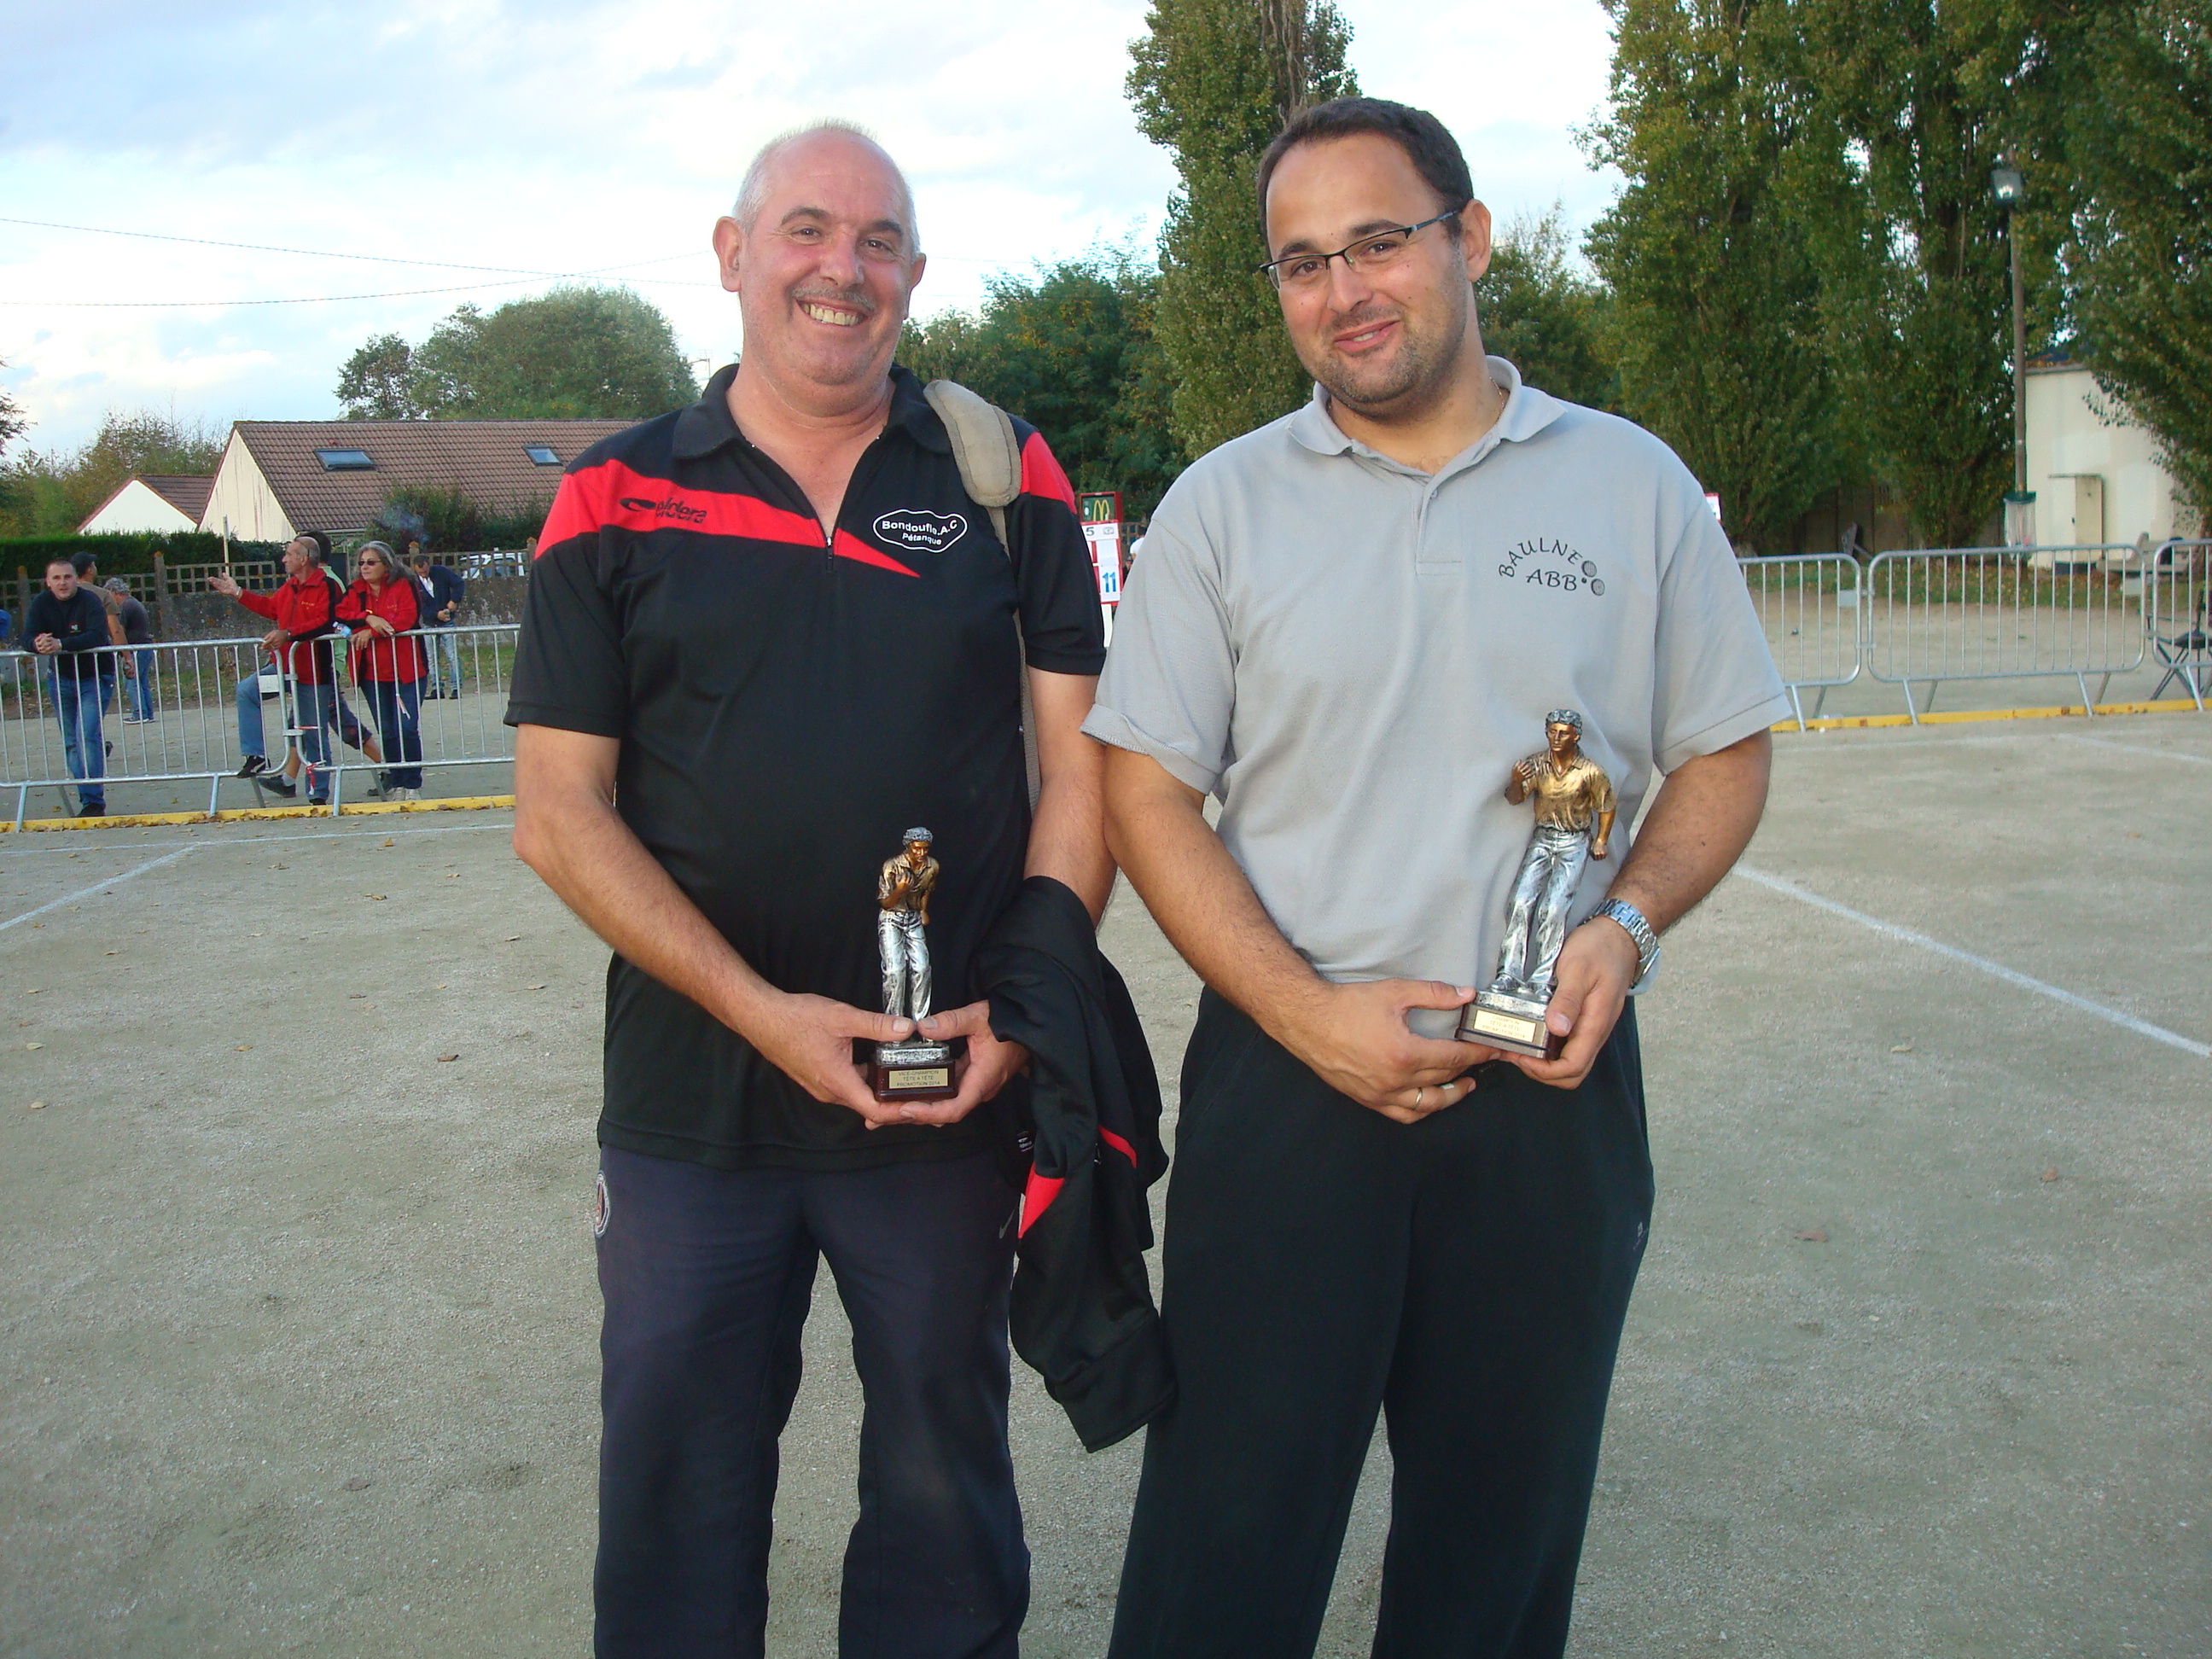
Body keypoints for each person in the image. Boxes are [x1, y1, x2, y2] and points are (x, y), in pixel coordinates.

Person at [1085, 97, 1791, 1659]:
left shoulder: (1630, 484)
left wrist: (1625, 923)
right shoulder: (1222, 506)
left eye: (1379, 241)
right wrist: (1301, 1012)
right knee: (1223, 1545)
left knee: (1498, 1549)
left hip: (1550, 1089)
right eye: (1300, 261)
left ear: (1469, 241)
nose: (1343, 290)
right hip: (1289, 1085)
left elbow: (1726, 748)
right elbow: (1142, 788)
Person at [505, 120, 1110, 1659]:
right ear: (732, 253)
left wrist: (1027, 1012)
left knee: (939, 1480)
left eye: (880, 241)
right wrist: (763, 1012)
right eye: (806, 230)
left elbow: (1084, 769)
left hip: (940, 1085)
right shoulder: (613, 494)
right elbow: (557, 814)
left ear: (915, 272)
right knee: (674, 1495)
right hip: (692, 1106)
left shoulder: (1002, 471)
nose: (843, 269)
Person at [212, 533, 353, 806]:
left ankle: (318, 792)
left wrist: (288, 634)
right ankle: (255, 755)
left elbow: (325, 622)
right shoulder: (289, 586)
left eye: (289, 554)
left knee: (313, 732)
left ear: (304, 559)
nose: (284, 558)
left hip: (314, 671)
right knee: (247, 691)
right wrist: (238, 593)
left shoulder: (326, 585)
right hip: (283, 667)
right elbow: (271, 607)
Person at [336, 540, 427, 800]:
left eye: (371, 562)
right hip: (372, 674)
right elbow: (341, 615)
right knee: (387, 730)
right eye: (361, 562)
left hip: (407, 670)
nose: (364, 567)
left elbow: (406, 619)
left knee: (406, 727)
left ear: (386, 564)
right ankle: (397, 779)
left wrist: (372, 631)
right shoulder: (355, 590)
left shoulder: (403, 585)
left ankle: (412, 782)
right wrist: (367, 617)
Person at [25, 556, 111, 817]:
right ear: (48, 582)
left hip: (94, 676)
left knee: (88, 735)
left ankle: (95, 801)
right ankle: (87, 798)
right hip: (61, 680)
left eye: (68, 577)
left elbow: (98, 635)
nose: (63, 583)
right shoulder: (41, 603)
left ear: (76, 578)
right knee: (71, 741)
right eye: (57, 578)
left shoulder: (90, 601)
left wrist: (61, 645)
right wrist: (37, 644)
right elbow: (26, 636)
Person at [408, 548, 467, 697]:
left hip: (447, 622)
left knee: (452, 655)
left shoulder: (441, 572)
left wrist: (454, 600)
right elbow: (418, 605)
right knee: (432, 658)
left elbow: (459, 583)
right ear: (415, 569)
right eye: (420, 573)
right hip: (429, 623)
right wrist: (436, 615)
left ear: (429, 566)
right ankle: (437, 689)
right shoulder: (413, 582)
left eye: (426, 572)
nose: (423, 575)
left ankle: (456, 688)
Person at [103, 577, 158, 723]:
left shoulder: (124, 607)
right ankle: (147, 713)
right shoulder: (134, 603)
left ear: (114, 592)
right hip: (144, 647)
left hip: (135, 649)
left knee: (131, 681)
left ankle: (140, 713)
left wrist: (118, 648)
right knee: (142, 682)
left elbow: (119, 631)